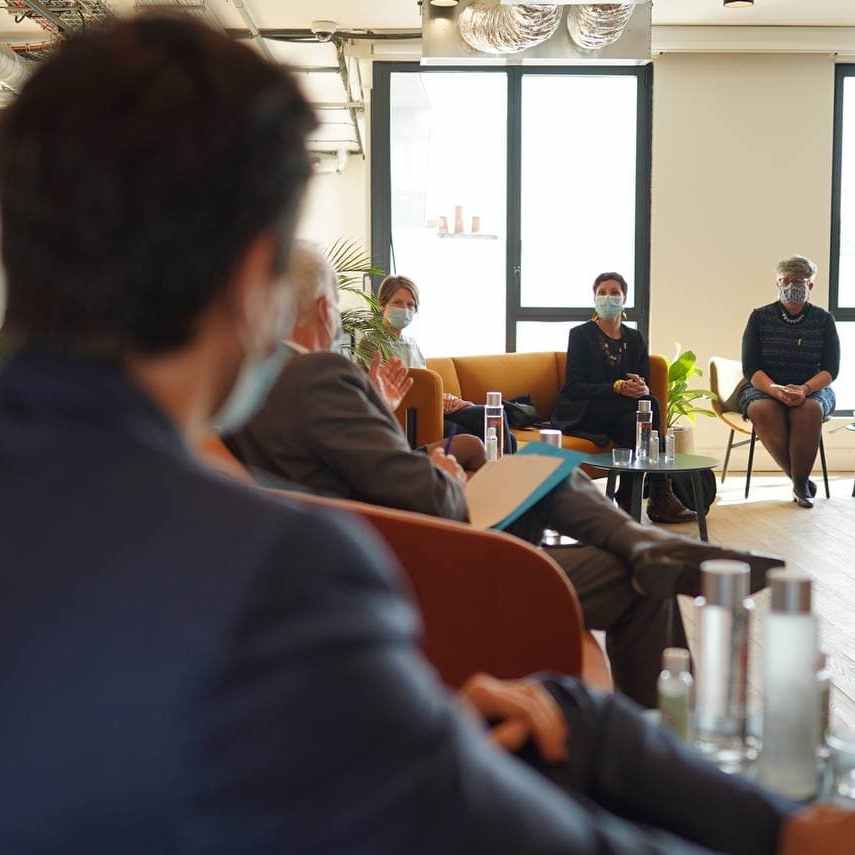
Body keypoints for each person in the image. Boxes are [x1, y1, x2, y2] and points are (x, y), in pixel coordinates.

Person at [0, 16, 849, 854]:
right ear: (254, 277)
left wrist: (414, 720)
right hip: (445, 581)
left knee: (573, 704)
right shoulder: (278, 575)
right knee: (578, 728)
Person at [226, 244, 783, 709]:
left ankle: (644, 543)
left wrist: (405, 436)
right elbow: (432, 500)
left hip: (378, 550)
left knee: (535, 467)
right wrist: (444, 473)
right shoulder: (317, 374)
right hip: (425, 563)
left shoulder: (239, 389)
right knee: (632, 577)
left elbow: (342, 471)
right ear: (325, 307)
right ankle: (658, 736)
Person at [552, 272, 696, 524]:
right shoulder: (580, 335)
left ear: (624, 298)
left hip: (623, 414)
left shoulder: (634, 338)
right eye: (602, 292)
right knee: (647, 409)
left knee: (639, 415)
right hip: (587, 411)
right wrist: (616, 387)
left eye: (614, 292)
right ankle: (657, 495)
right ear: (594, 298)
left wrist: (640, 387)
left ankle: (635, 498)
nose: (608, 297)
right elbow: (574, 387)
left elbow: (643, 378)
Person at [738, 256, 840, 508]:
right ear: (778, 282)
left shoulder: (823, 319)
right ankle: (800, 481)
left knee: (809, 410)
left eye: (799, 282)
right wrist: (774, 389)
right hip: (765, 387)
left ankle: (800, 485)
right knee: (763, 409)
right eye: (786, 281)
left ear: (810, 285)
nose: (792, 286)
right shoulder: (759, 317)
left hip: (812, 387)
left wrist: (805, 389)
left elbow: (831, 369)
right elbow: (751, 367)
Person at [377, 274, 517, 454]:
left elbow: (424, 386)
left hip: (435, 408)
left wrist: (453, 401)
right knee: (479, 435)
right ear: (382, 305)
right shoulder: (372, 344)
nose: (405, 309)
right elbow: (382, 392)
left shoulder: (412, 344)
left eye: (410, 305)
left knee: (500, 426)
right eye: (398, 303)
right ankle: (501, 469)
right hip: (410, 416)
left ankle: (501, 469)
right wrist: (435, 401)